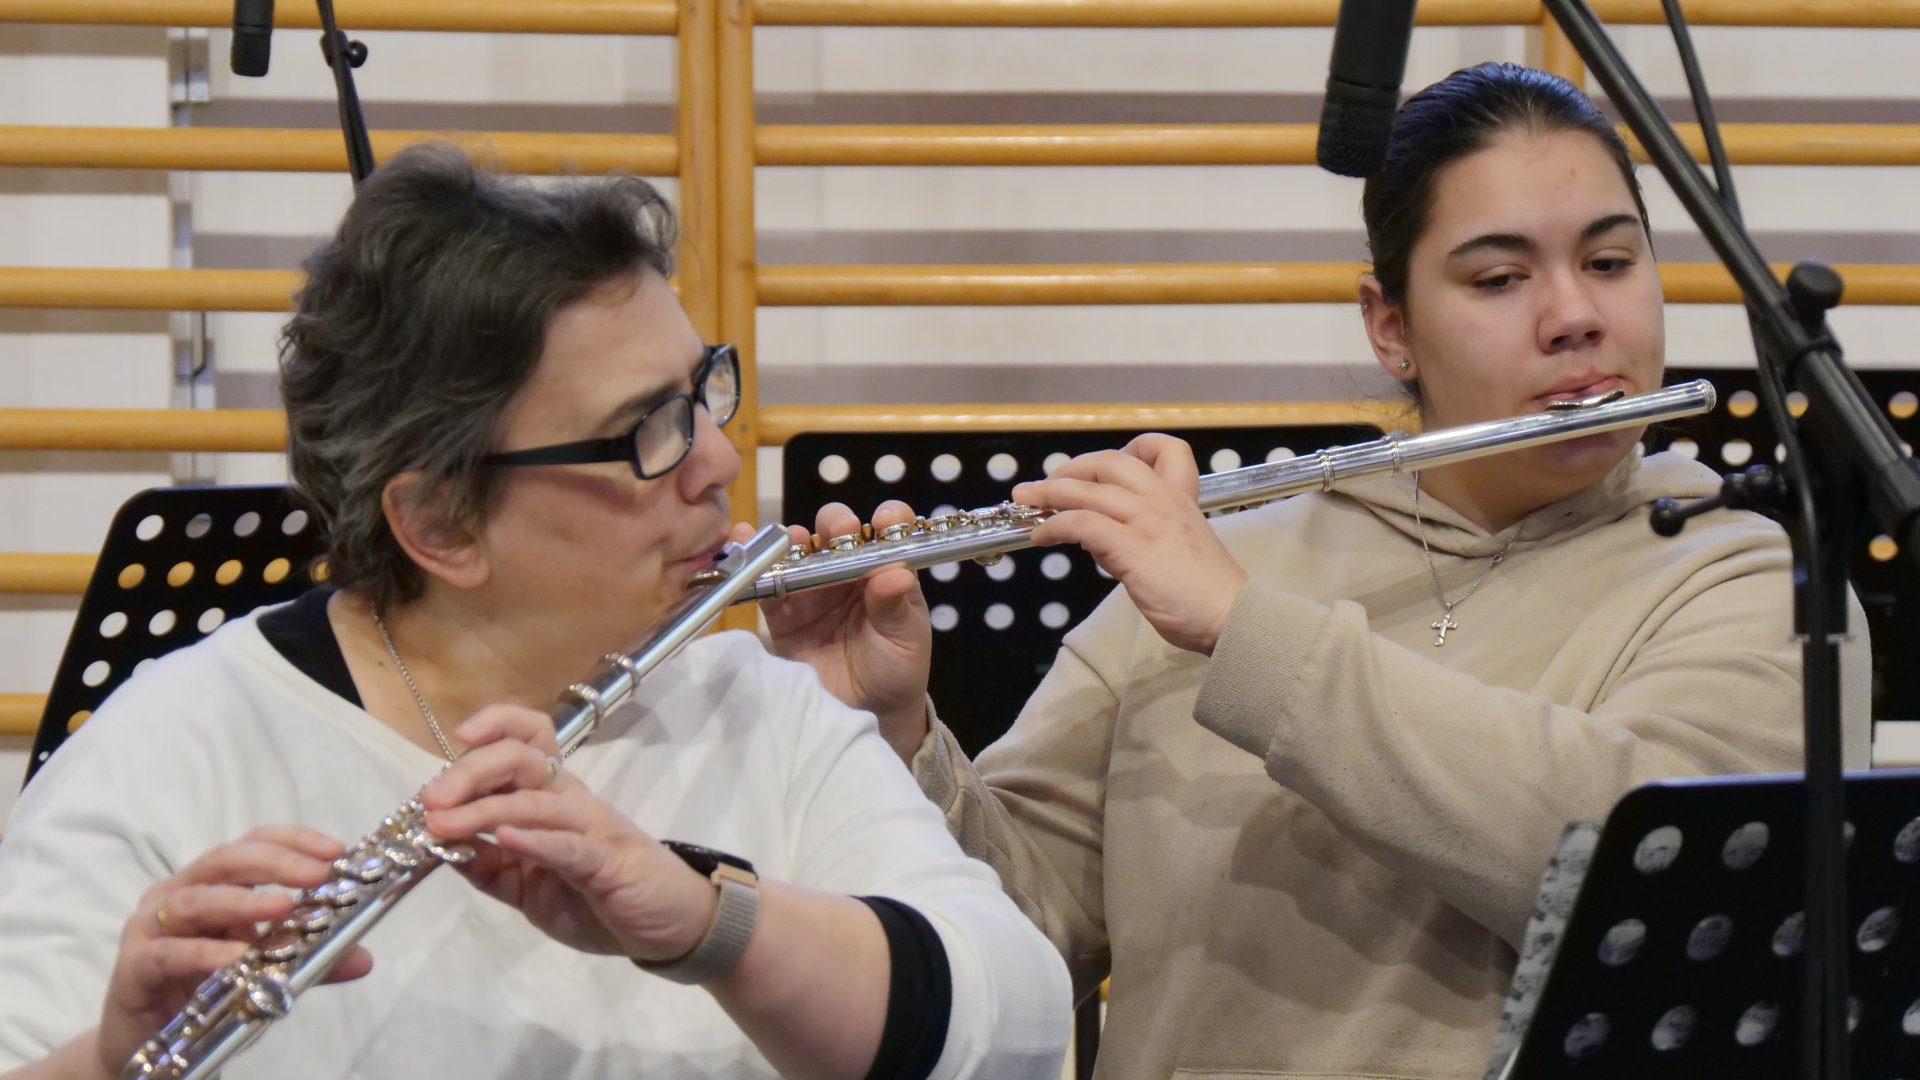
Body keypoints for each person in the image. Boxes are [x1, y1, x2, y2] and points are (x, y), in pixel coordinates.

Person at [764, 63, 1873, 1078]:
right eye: (1499, 278)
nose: (1576, 316)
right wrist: (889, 740)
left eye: (1611, 263)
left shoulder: (1752, 577)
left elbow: (1661, 877)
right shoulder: (1212, 570)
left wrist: (1247, 633)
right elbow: (1018, 931)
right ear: (1391, 327)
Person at [0, 144, 1069, 1080]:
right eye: (648, 430)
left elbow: (1021, 1026)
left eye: (703, 391)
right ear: (442, 523)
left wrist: (710, 921)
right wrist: (105, 1064)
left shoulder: (754, 705)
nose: (718, 460)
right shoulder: (177, 751)